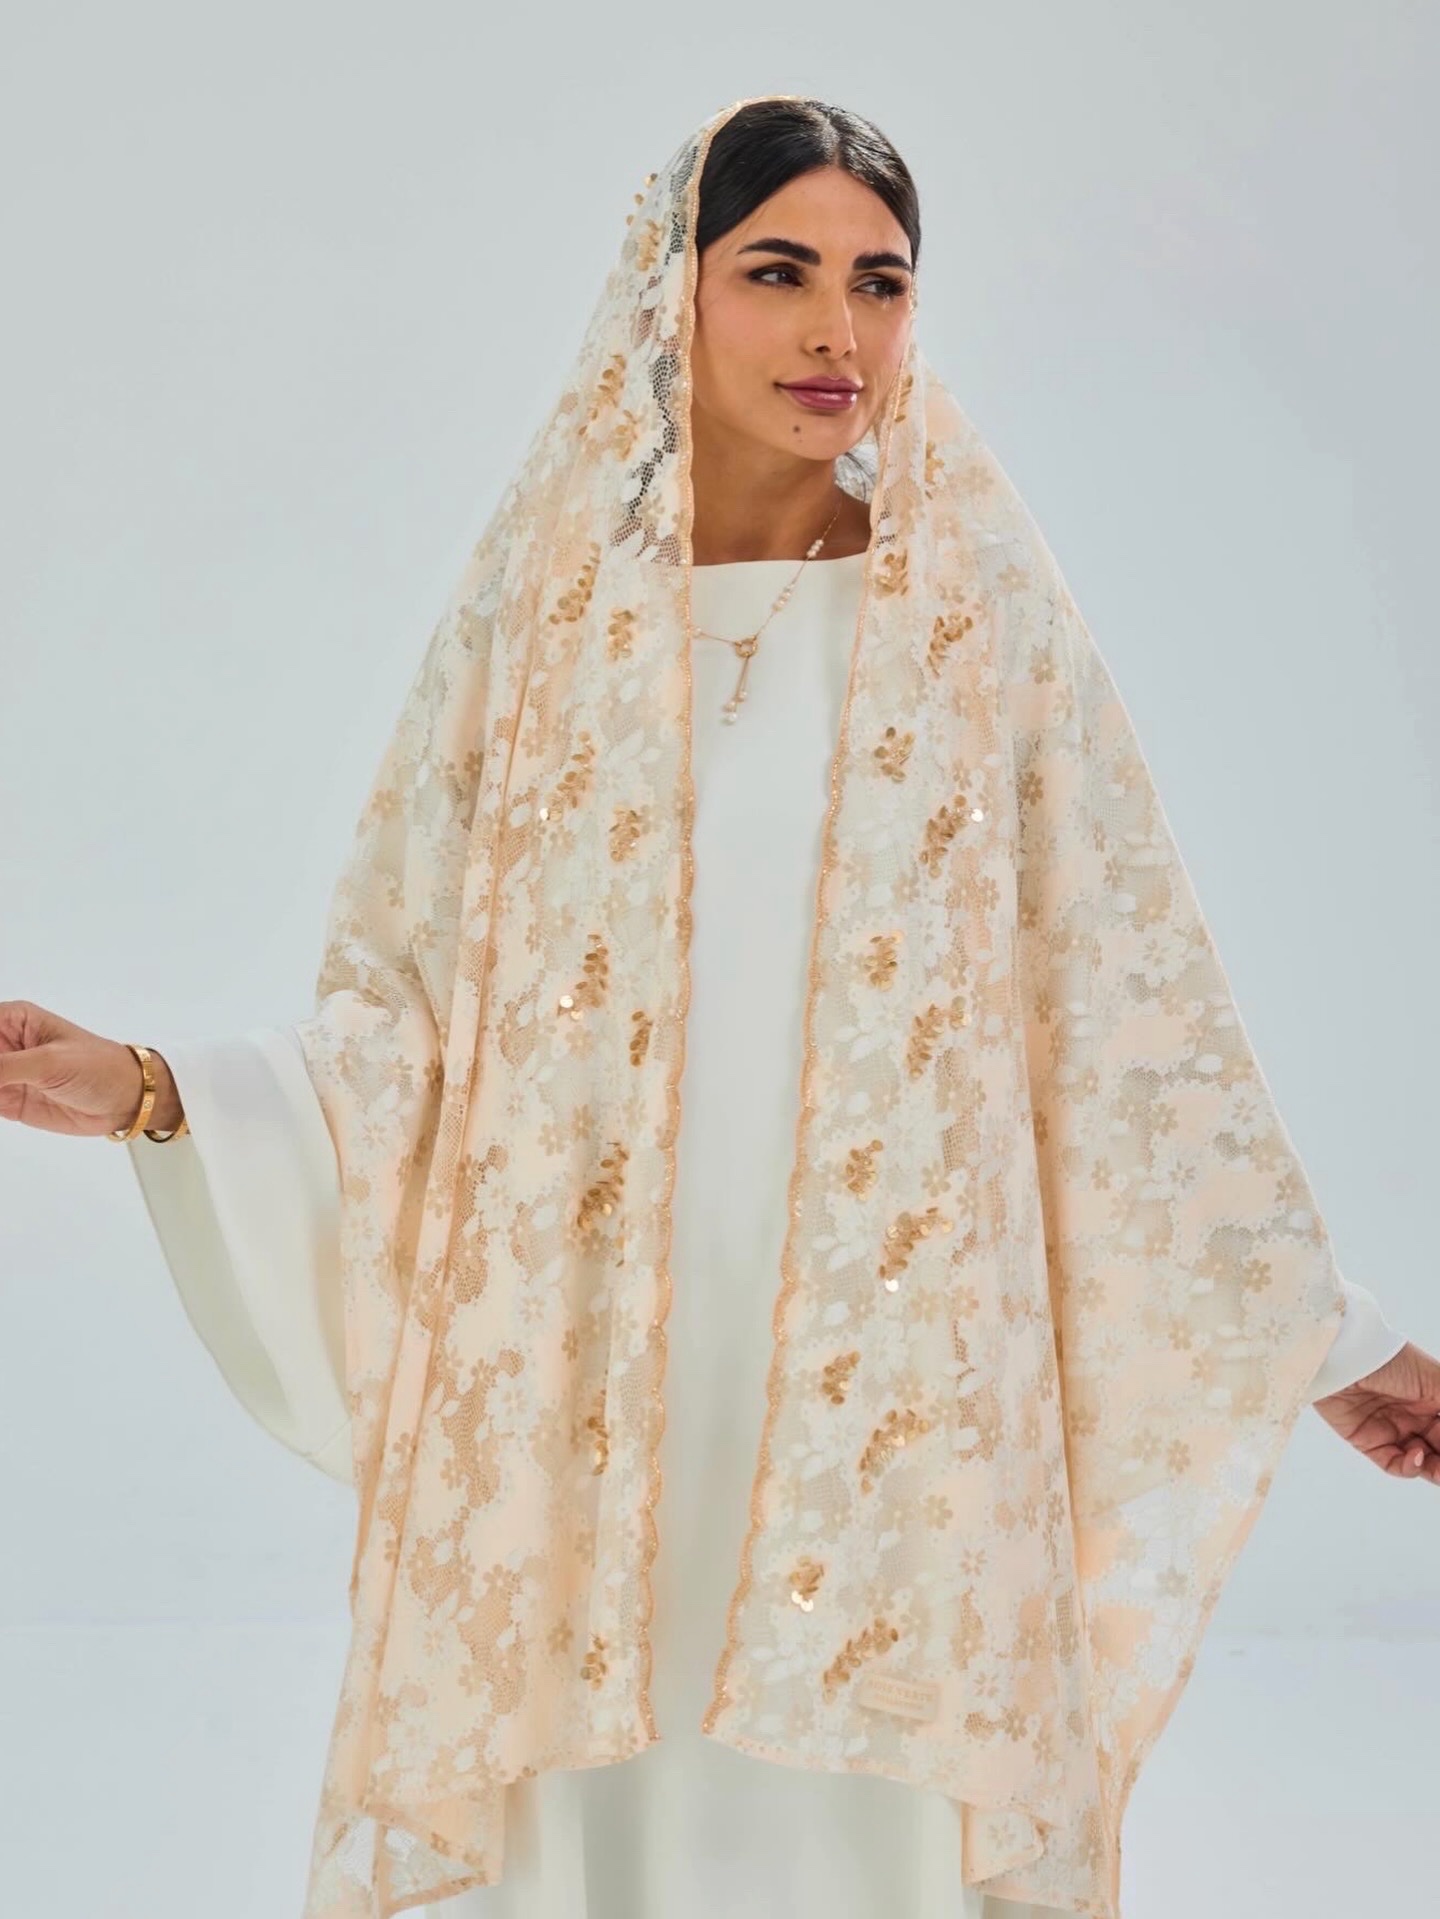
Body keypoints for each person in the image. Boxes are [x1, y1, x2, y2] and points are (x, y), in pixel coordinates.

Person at [3, 94, 1435, 1919]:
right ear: (665, 292)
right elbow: (414, 1027)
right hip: (598, 1372)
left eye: (881, 282)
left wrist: (1334, 1339)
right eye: (778, 271)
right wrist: (153, 1090)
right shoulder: (547, 625)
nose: (838, 330)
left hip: (892, 1388)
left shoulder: (972, 617)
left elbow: (1133, 1024)